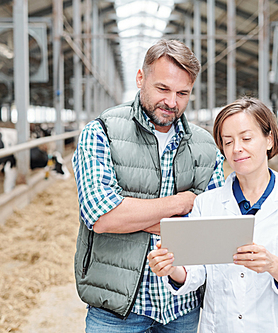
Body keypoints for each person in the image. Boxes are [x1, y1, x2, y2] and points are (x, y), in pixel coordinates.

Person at [72, 39, 225, 332]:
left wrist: (132, 215)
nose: (172, 102)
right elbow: (102, 217)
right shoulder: (101, 131)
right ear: (141, 78)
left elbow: (212, 230)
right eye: (163, 89)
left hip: (182, 307)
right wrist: (183, 203)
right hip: (116, 309)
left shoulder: (207, 147)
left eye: (183, 93)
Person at [148, 97, 278, 332]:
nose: (237, 148)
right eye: (228, 141)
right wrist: (172, 268)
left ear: (269, 139)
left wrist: (273, 265)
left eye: (246, 138)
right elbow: (197, 272)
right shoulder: (206, 204)